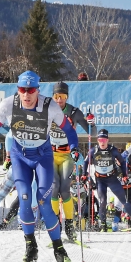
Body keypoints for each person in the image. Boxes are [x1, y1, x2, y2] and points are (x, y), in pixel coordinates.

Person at [0, 71, 80, 262]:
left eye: (30, 90)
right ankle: (31, 246)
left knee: (44, 200)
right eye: (22, 89)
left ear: (38, 90)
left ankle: (59, 249)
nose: (26, 95)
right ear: (18, 89)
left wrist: (74, 148)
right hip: (20, 157)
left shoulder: (50, 106)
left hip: (43, 157)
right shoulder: (8, 104)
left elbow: (69, 131)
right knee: (25, 198)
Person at [49, 81, 95, 241]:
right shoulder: (48, 110)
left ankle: (69, 225)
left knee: (65, 190)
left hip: (67, 154)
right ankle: (56, 224)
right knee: (54, 188)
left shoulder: (74, 112)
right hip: (51, 155)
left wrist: (91, 122)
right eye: (56, 96)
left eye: (62, 96)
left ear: (66, 97)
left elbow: (92, 132)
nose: (59, 100)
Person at [81, 129, 131, 231]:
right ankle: (103, 224)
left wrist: (124, 175)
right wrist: (84, 174)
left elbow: (122, 162)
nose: (102, 142)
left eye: (104, 140)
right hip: (100, 179)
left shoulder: (113, 150)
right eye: (100, 140)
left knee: (123, 199)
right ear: (97, 140)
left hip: (111, 178)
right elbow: (85, 162)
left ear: (108, 140)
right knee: (103, 201)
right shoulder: (94, 150)